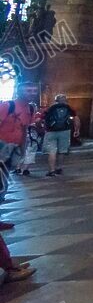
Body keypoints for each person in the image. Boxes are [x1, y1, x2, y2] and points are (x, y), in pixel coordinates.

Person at [0, 89, 31, 231]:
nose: (31, 92)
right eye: (28, 89)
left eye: (34, 89)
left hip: (13, 149)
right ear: (19, 91)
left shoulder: (28, 108)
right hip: (2, 147)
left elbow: (24, 130)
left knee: (3, 184)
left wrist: (23, 150)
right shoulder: (8, 105)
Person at [42, 93, 80, 177]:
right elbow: (76, 118)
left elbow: (43, 118)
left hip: (51, 131)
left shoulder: (51, 107)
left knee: (51, 152)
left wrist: (43, 129)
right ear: (65, 100)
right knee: (62, 151)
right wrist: (77, 130)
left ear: (56, 100)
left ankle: (52, 170)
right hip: (65, 131)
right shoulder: (69, 107)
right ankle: (59, 168)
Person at [17, 103, 41, 176]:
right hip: (32, 136)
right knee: (30, 152)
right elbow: (37, 125)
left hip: (21, 136)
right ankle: (25, 169)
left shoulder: (20, 115)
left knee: (22, 152)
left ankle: (18, 168)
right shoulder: (36, 116)